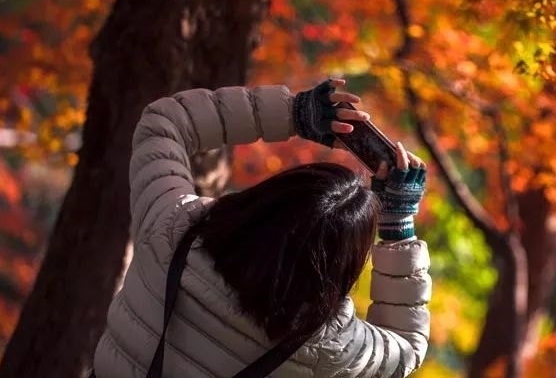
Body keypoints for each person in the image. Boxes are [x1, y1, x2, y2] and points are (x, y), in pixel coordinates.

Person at [92, 78, 431, 378]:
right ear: (342, 265)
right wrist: (398, 224)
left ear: (265, 199)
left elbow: (165, 122)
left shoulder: (174, 227)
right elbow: (407, 347)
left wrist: (294, 114)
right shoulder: (331, 346)